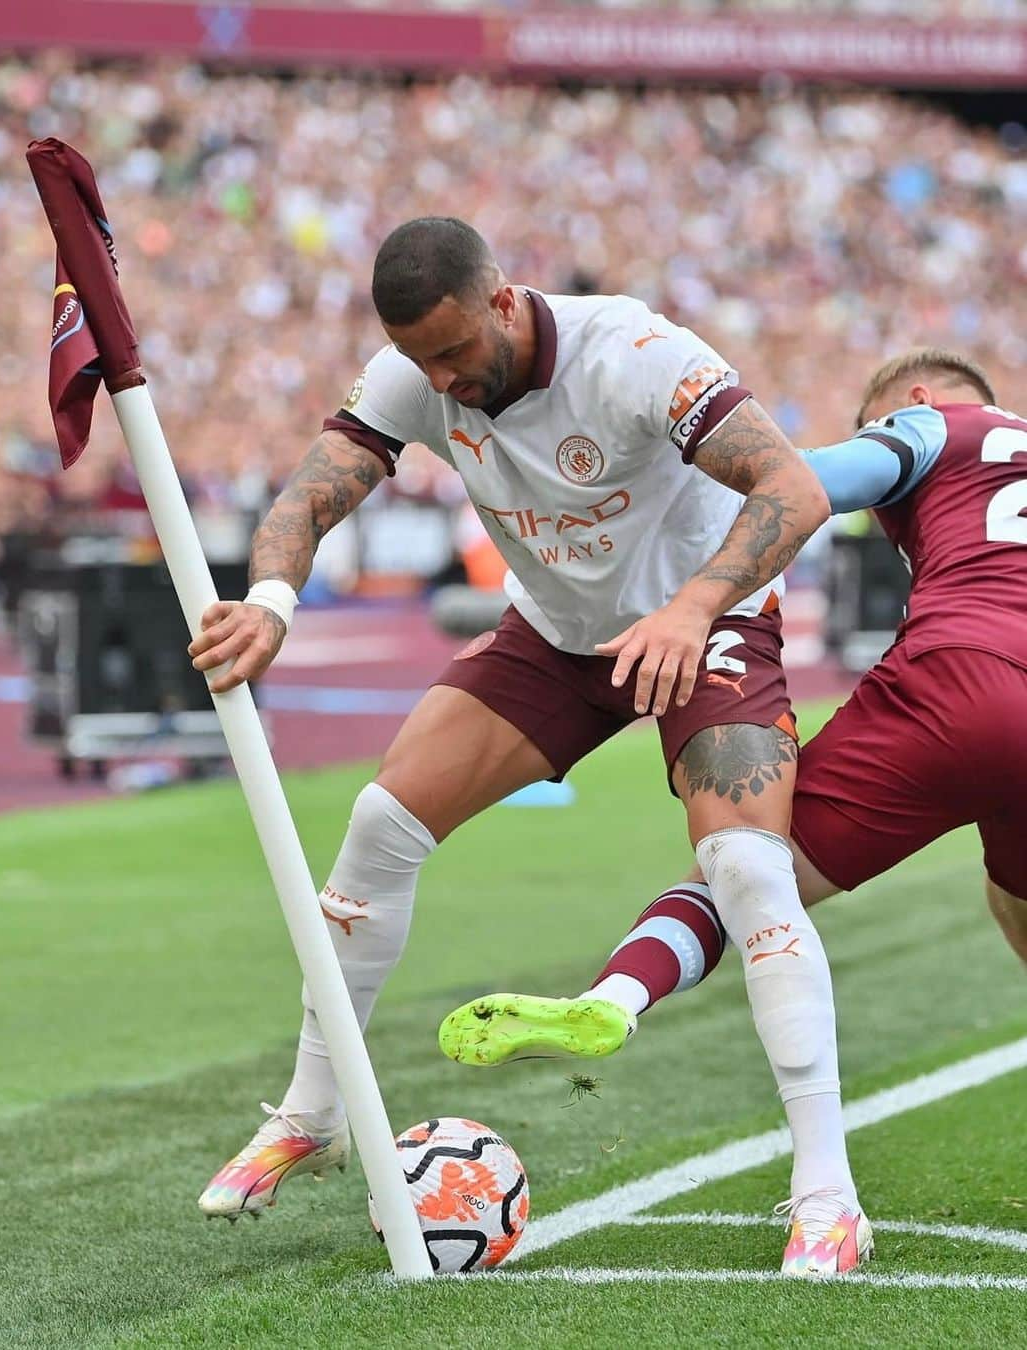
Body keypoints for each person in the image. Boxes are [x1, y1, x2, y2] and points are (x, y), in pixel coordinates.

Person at [187, 217, 866, 1275]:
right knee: (379, 828)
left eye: (457, 352)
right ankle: (312, 1114)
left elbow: (796, 488)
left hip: (704, 622)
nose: (445, 382)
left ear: (504, 301)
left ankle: (827, 1194)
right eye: (423, 361)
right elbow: (311, 493)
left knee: (744, 866)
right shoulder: (414, 376)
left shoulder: (636, 354)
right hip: (557, 639)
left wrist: (691, 610)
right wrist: (271, 600)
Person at [443, 347, 1027, 1268]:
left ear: (913, 400)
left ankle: (617, 995)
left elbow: (799, 485)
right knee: (1014, 891)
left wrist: (695, 589)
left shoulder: (927, 427)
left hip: (960, 686)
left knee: (747, 870)